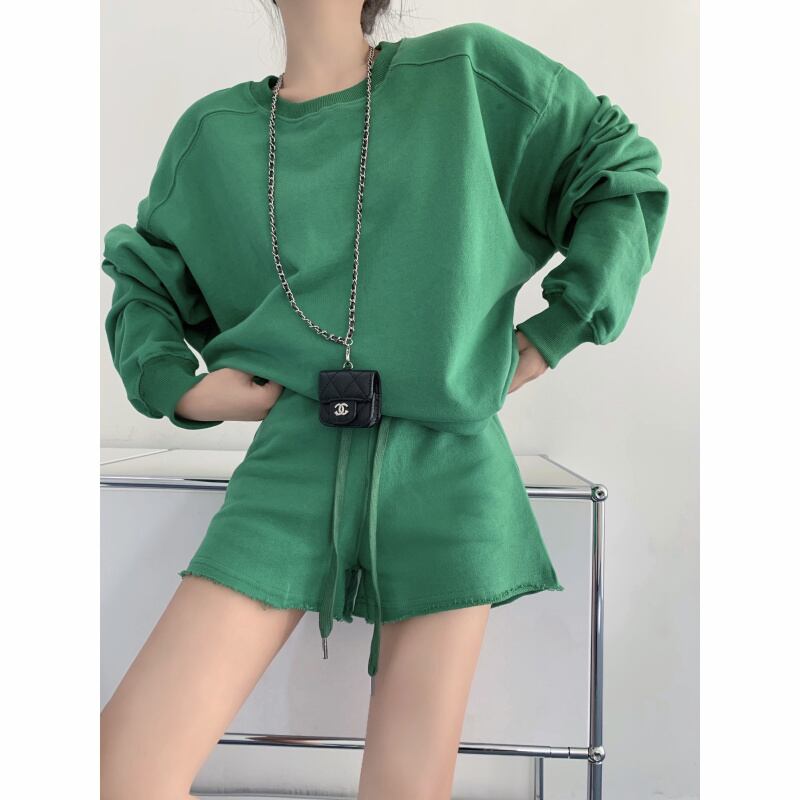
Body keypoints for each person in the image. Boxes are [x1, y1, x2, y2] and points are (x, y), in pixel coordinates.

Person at [99, 2, 669, 798]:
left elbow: (618, 171)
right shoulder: (214, 134)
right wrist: (183, 390)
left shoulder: (467, 75)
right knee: (119, 773)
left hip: (449, 468)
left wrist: (556, 331)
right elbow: (144, 279)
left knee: (406, 786)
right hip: (290, 466)